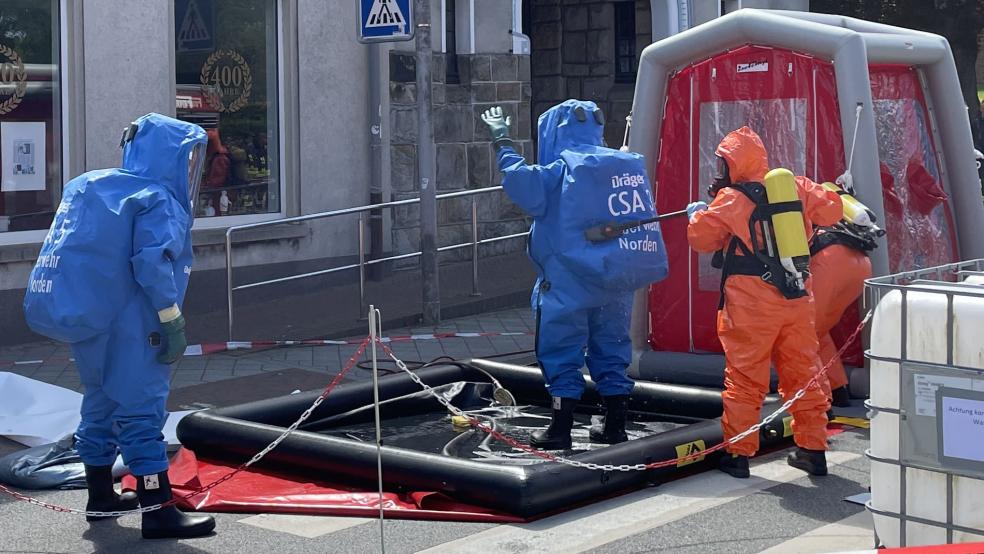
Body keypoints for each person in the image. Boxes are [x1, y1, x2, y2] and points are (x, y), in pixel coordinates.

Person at [23, 113, 214, 539]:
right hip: (135, 323)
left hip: (92, 320)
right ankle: (159, 511)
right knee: (142, 412)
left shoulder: (92, 185)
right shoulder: (158, 198)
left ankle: (101, 497)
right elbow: (152, 265)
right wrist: (171, 318)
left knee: (99, 404)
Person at [482, 100, 669, 449]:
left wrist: (501, 140)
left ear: (553, 131)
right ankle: (614, 424)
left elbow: (521, 184)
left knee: (560, 350)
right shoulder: (620, 165)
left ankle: (560, 429)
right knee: (612, 348)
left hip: (568, 281)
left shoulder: (561, 169)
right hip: (616, 278)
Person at [686, 126, 842, 478]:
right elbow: (832, 212)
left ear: (732, 162)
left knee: (744, 378)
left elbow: (700, 238)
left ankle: (738, 455)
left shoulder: (731, 198)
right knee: (804, 372)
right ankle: (813, 450)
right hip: (796, 295)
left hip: (751, 303)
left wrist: (695, 213)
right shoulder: (797, 186)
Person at [809, 185, 879, 407]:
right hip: (860, 264)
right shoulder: (818, 194)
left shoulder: (781, 195)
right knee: (818, 331)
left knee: (800, 334)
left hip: (831, 260)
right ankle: (839, 390)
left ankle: (818, 403)